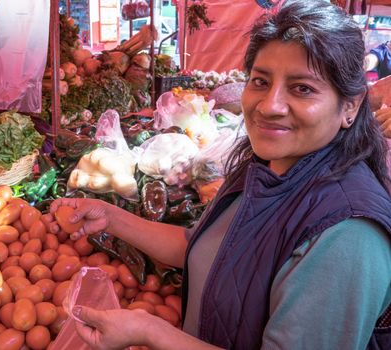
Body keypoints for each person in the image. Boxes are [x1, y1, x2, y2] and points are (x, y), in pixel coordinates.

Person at [47, 0, 391, 349]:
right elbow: (202, 248)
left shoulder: (348, 233)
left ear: (350, 106)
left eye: (302, 88)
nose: (270, 105)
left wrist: (151, 331)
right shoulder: (264, 169)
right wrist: (111, 217)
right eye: (260, 81)